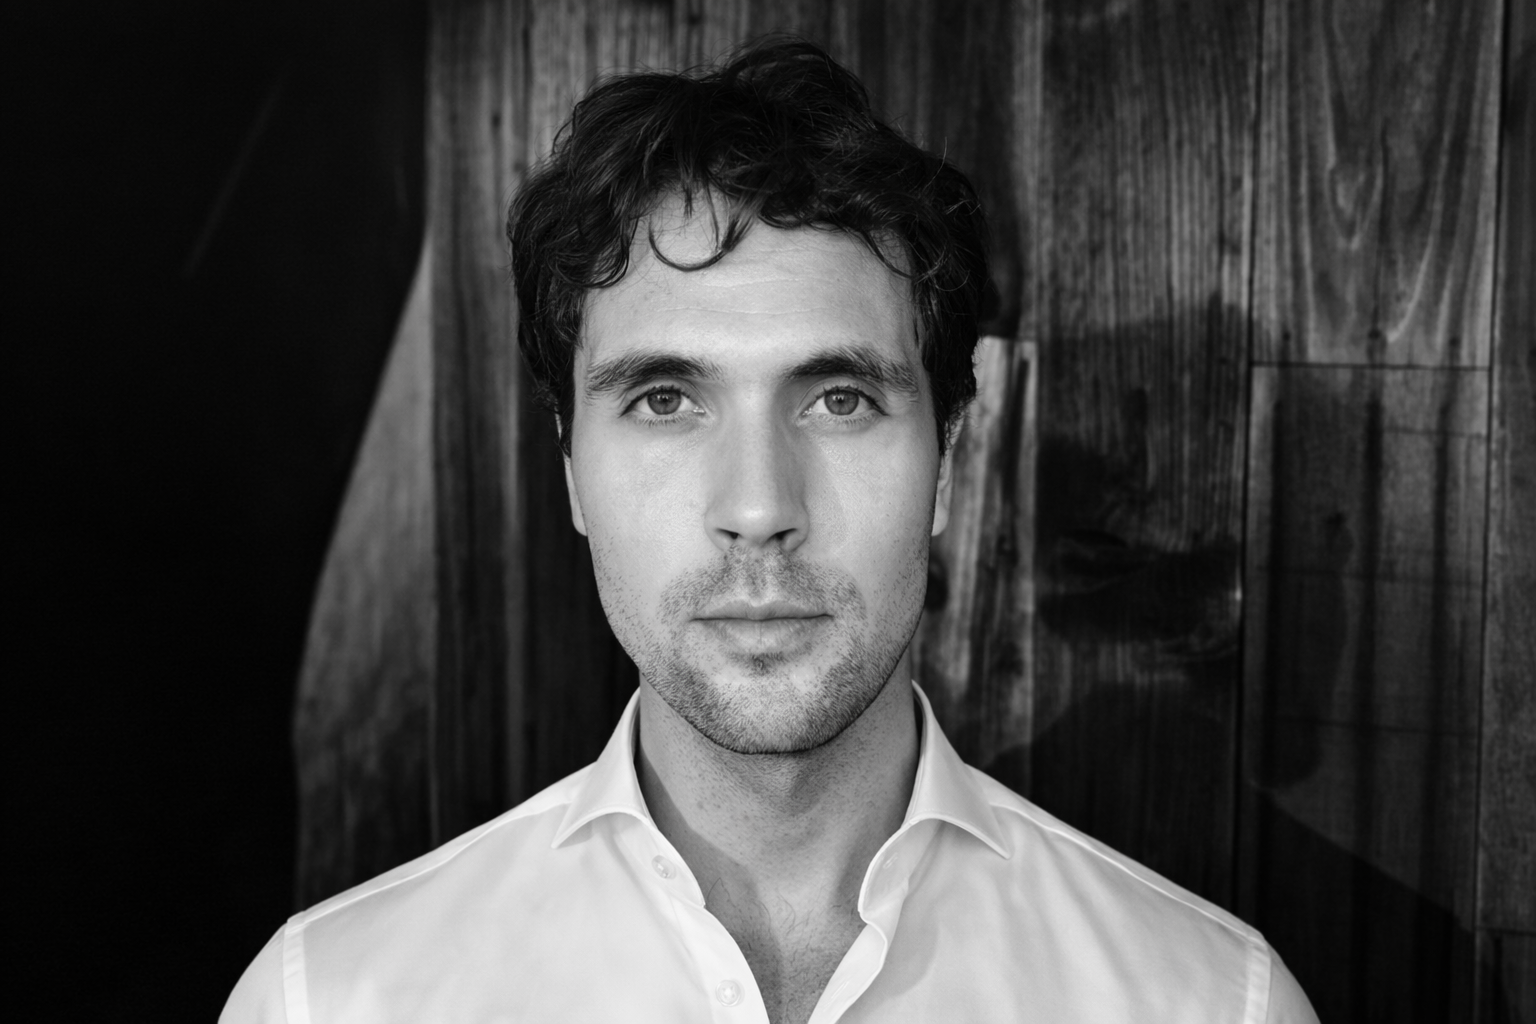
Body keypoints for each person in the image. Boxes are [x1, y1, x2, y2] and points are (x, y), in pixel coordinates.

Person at [222, 38, 1316, 1024]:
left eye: (839, 399)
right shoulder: (329, 999)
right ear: (569, 469)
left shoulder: (1213, 1001)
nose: (757, 506)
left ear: (947, 462)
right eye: (664, 400)